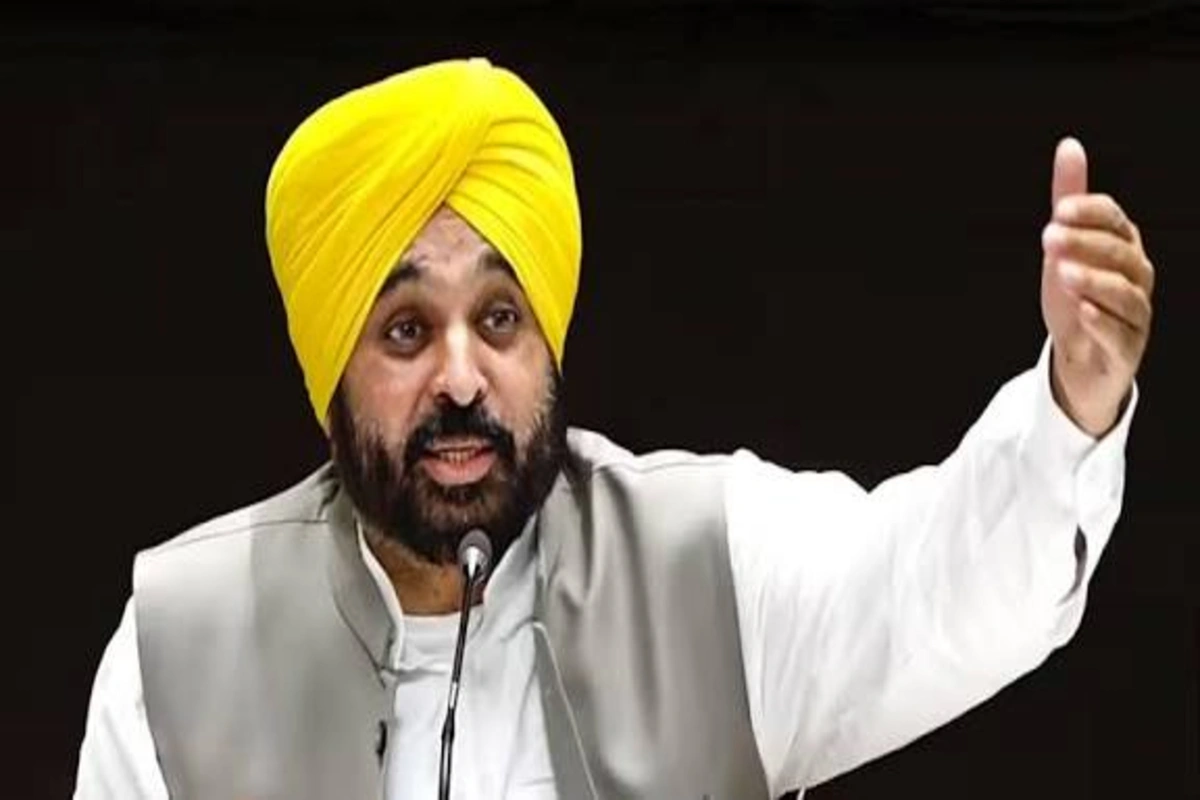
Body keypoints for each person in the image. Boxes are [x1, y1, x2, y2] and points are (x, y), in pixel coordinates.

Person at [73, 58, 1155, 800]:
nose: (462, 378)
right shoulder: (182, 646)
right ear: (331, 374)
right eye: (406, 330)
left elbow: (947, 586)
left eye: (500, 318)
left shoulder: (709, 565)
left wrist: (1077, 397)